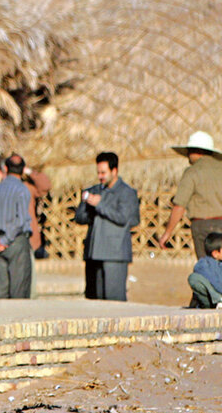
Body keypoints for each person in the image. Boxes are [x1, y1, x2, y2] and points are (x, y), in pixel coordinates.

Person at [73, 152, 141, 301]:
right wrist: (90, 207)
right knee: (93, 301)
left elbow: (125, 218)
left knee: (113, 301)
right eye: (98, 172)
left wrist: (100, 205)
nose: (100, 176)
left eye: (103, 172)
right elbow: (79, 217)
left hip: (114, 255)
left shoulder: (126, 193)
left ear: (114, 171)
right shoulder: (94, 190)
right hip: (93, 254)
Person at [157, 131, 222, 259]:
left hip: (203, 226)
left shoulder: (192, 172)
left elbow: (180, 205)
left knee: (206, 269)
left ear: (197, 151)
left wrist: (167, 232)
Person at [0, 153, 34, 299]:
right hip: (16, 242)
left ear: (5, 168)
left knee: (1, 291)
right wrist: (5, 240)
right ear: (23, 170)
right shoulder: (22, 190)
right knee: (19, 292)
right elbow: (21, 220)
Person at [187, 232, 222, 309]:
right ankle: (219, 300)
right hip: (210, 300)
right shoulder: (203, 264)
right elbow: (213, 281)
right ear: (216, 253)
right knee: (194, 278)